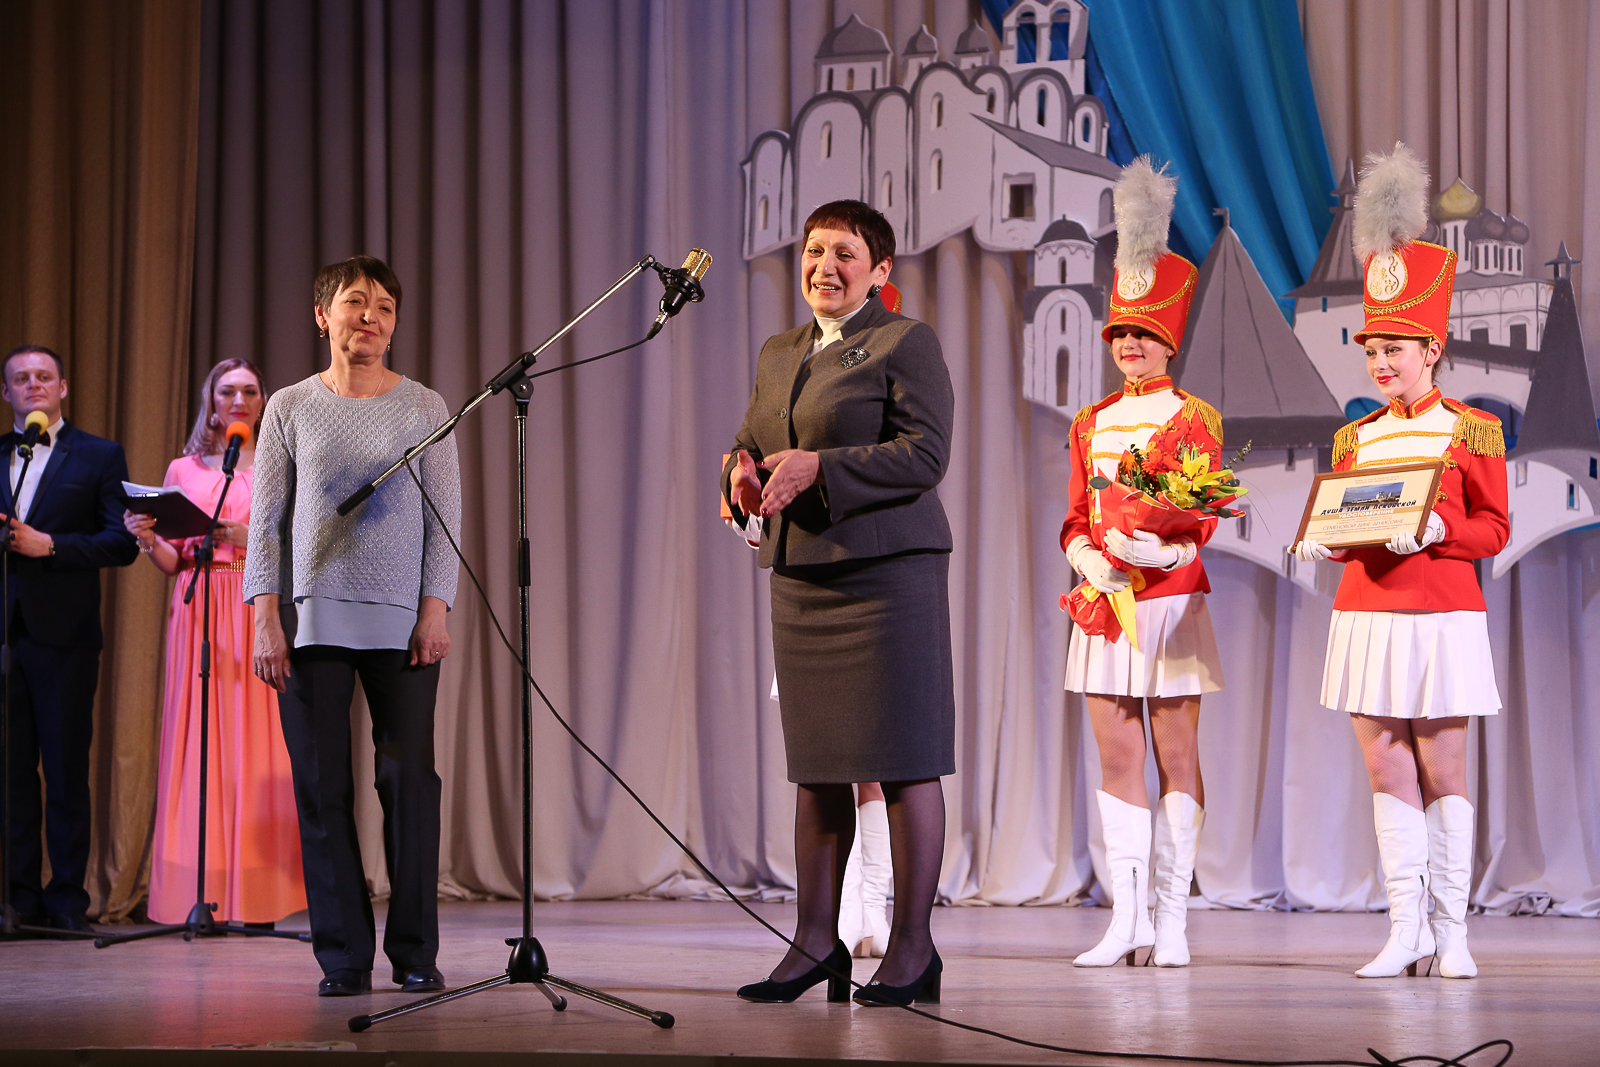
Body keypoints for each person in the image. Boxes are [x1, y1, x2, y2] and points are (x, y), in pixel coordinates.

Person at [723, 200, 954, 1007]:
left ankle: (913, 948)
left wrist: (821, 467)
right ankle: (814, 944)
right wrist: (738, 472)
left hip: (888, 576)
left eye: (845, 253)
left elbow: (925, 454)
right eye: (815, 250)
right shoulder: (779, 349)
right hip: (804, 577)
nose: (825, 266)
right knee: (818, 768)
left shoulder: (903, 341)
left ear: (880, 270)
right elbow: (753, 438)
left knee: (904, 761)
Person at [1292, 144, 1507, 979]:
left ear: (1433, 347)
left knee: (1443, 768)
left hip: (1443, 615)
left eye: (1397, 348)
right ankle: (1405, 929)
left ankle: (1453, 933)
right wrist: (1319, 535)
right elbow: (1348, 518)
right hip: (1365, 614)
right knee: (1385, 766)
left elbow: (1493, 528)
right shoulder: (1355, 436)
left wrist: (1439, 532)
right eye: (1373, 349)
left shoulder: (1474, 428)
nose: (1382, 363)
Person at [244, 255, 461, 997]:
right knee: (321, 786)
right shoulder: (289, 406)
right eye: (355, 302)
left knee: (408, 781)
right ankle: (342, 956)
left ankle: (415, 951)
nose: (371, 316)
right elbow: (265, 522)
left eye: (385, 307)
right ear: (322, 315)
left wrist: (435, 609)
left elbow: (445, 520)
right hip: (309, 621)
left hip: (403, 625)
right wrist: (265, 617)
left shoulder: (425, 406)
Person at [1060, 158, 1224, 968]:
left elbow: (1205, 515)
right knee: (1116, 757)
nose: (1129, 345)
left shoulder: (1196, 417)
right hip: (1106, 604)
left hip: (1170, 603)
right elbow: (1072, 516)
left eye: (1144, 334)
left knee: (1176, 755)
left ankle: (1173, 917)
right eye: (1120, 333)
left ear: (1170, 339)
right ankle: (1126, 918)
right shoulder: (1089, 421)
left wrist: (1165, 547)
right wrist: (1087, 555)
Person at [123, 358, 305, 925]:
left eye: (249, 390)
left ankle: (260, 897)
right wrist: (145, 539)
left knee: (257, 744)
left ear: (263, 400)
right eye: (227, 391)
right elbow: (174, 560)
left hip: (256, 604)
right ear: (212, 401)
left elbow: (303, 544)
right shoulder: (183, 469)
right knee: (198, 741)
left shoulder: (280, 462)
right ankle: (194, 893)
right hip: (199, 608)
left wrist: (249, 538)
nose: (239, 400)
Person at [1, 343, 139, 932]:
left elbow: (122, 542)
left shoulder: (99, 455)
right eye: (21, 378)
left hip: (65, 637)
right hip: (6, 636)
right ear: (7, 392)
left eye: (44, 376)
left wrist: (50, 545)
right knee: (10, 776)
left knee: (63, 772)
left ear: (62, 388)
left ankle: (65, 901)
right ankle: (18, 899)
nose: (33, 385)